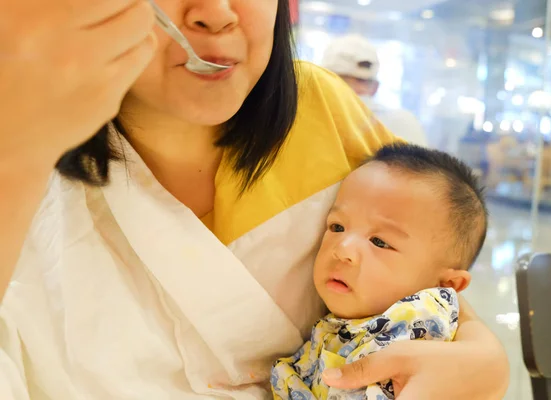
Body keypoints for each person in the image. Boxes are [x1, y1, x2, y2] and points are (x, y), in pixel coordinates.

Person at [0, 0, 509, 399]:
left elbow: (432, 274)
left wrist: (486, 357)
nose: (217, 14)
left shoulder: (325, 109)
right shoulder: (26, 147)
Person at [272, 144, 486, 399]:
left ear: (446, 285)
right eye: (337, 227)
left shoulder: (417, 330)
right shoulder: (348, 323)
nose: (343, 250)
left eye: (380, 242)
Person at [321, 34, 429, 147]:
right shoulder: (403, 122)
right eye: (342, 81)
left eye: (361, 81)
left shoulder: (400, 122)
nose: (353, 90)